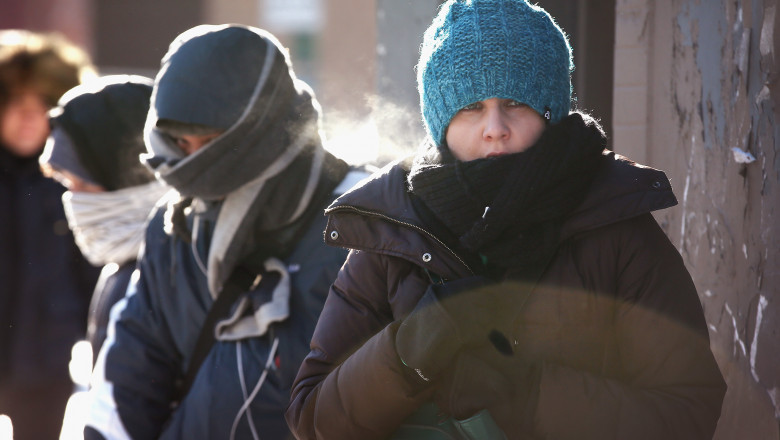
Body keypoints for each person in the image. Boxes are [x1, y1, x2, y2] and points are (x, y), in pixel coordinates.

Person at [286, 1, 727, 439]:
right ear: (440, 120)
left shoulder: (616, 229)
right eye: (470, 106)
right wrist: (404, 356)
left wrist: (528, 396)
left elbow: (688, 411)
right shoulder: (391, 233)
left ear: (550, 110)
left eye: (515, 102)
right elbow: (311, 420)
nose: (494, 126)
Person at [84, 24, 364, 440]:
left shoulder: (362, 221)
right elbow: (130, 373)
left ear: (264, 126)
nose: (192, 162)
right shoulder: (174, 225)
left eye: (212, 140)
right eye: (180, 142)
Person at [0, 29, 100, 440]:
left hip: (46, 362)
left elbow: (96, 275)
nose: (28, 116)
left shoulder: (78, 183)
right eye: (15, 102)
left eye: (42, 105)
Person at [40, 74, 170, 363]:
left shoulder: (169, 275)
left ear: (129, 177)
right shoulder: (125, 264)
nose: (73, 199)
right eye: (66, 183)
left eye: (84, 184)